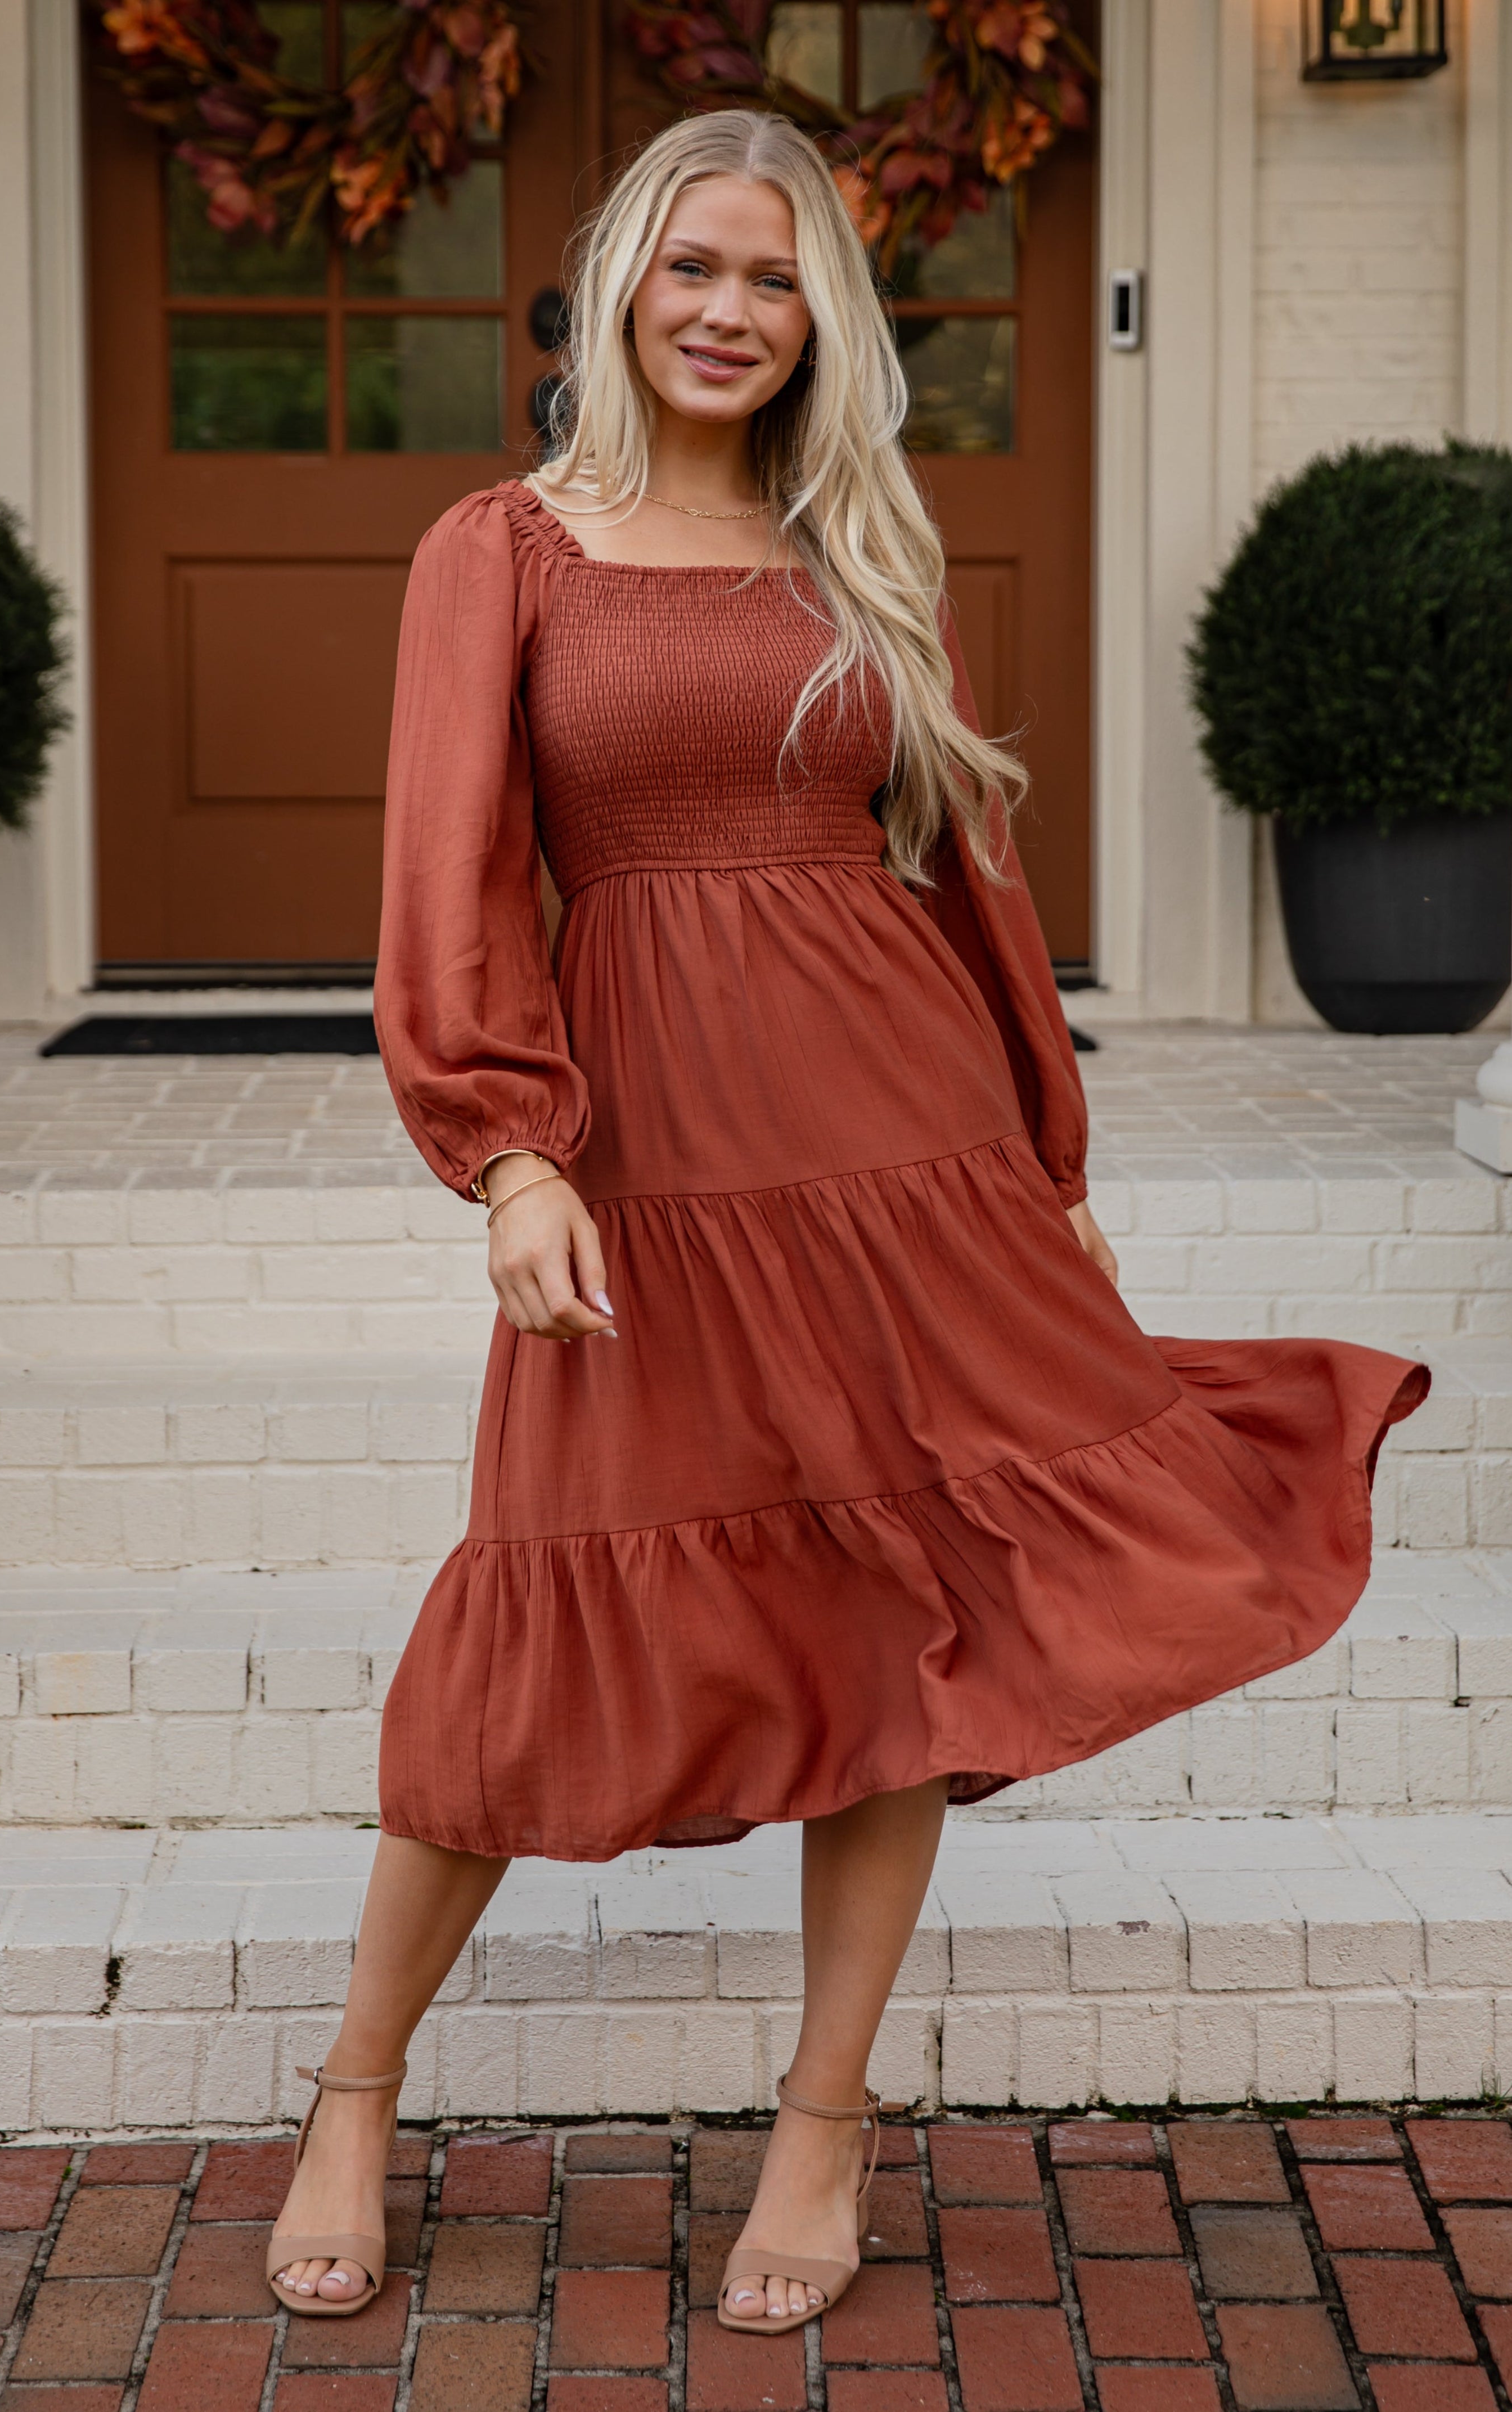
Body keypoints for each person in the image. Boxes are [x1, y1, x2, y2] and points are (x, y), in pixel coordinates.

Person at [266, 107, 1427, 2334]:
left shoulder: (860, 552)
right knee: (535, 1620)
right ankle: (352, 2084)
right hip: (651, 1159)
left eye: (773, 279)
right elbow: (444, 874)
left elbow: (963, 881)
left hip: (908, 1147)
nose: (726, 310)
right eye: (692, 266)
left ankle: (822, 2118)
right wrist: (509, 1152)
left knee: (906, 1623)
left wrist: (1049, 1167)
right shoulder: (499, 550)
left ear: (824, 324)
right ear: (621, 282)